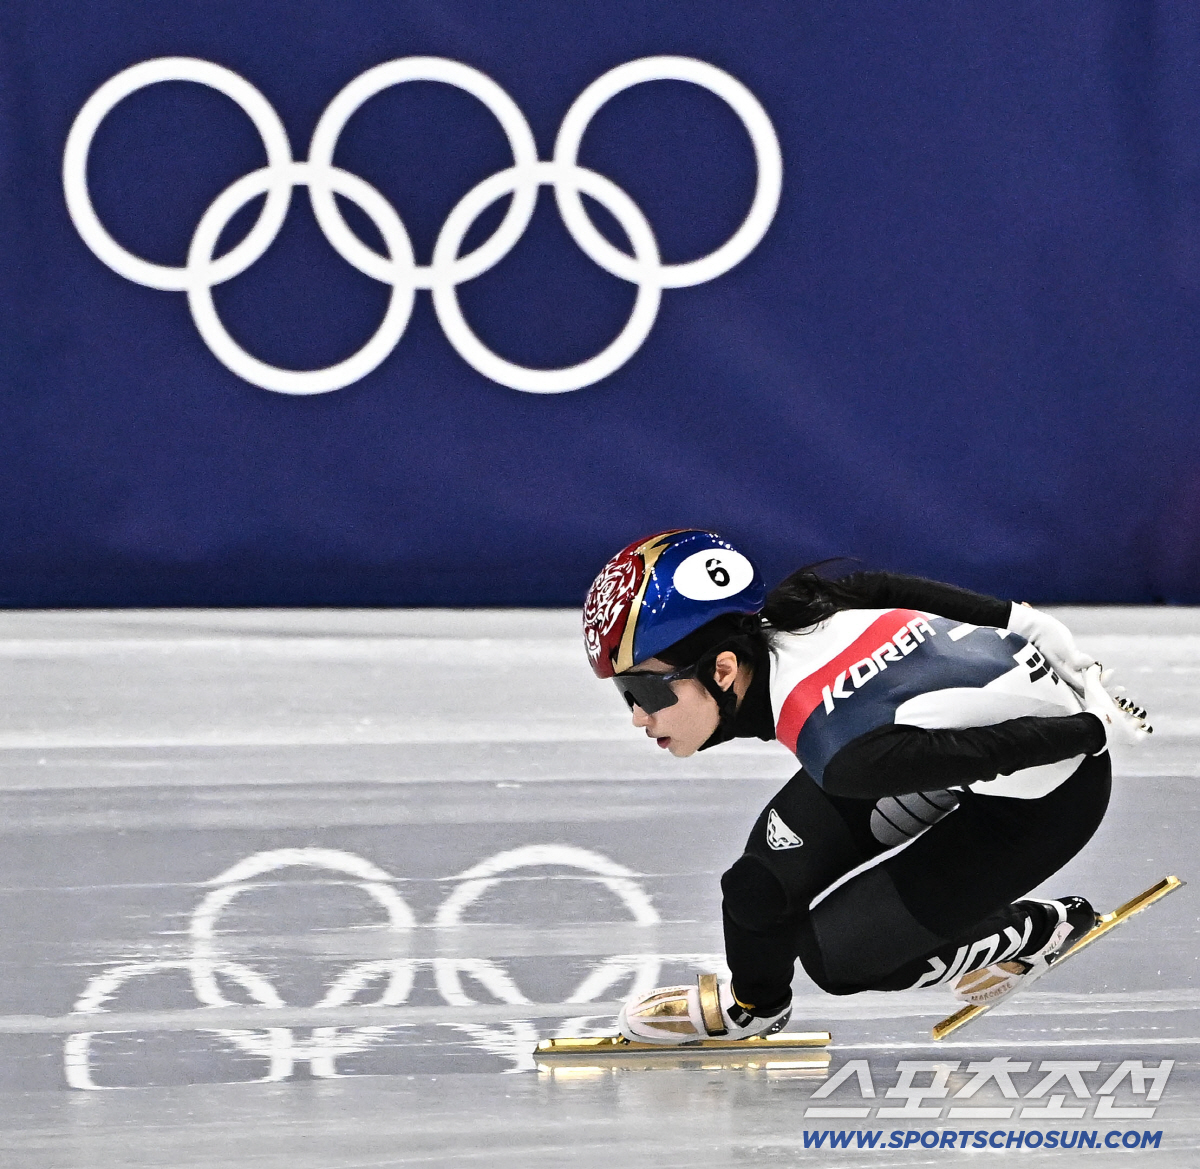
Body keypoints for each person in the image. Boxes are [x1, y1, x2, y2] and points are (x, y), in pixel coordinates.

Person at [582, 529, 1151, 1044]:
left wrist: (1089, 729)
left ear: (724, 670)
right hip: (913, 743)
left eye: (645, 693)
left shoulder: (841, 751)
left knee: (841, 959)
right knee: (758, 889)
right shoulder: (806, 612)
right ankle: (753, 1009)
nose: (637, 716)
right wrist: (1024, 623)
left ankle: (1039, 929)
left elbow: (987, 750)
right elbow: (882, 586)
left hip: (1045, 797)